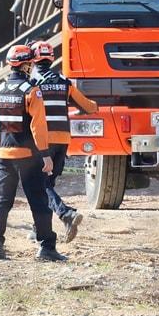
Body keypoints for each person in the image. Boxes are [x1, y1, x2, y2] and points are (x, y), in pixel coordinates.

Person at [0, 44, 62, 261]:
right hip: (28, 157)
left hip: (4, 153)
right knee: (38, 201)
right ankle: (47, 247)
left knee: (3, 200)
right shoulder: (32, 91)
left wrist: (1, 146)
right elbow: (38, 127)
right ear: (28, 65)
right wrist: (46, 154)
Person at [29, 41, 97, 241]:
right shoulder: (64, 81)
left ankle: (66, 214)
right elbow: (89, 106)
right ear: (50, 58)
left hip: (43, 141)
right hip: (63, 140)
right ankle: (38, 229)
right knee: (47, 183)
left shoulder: (32, 82)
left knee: (40, 184)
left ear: (33, 59)